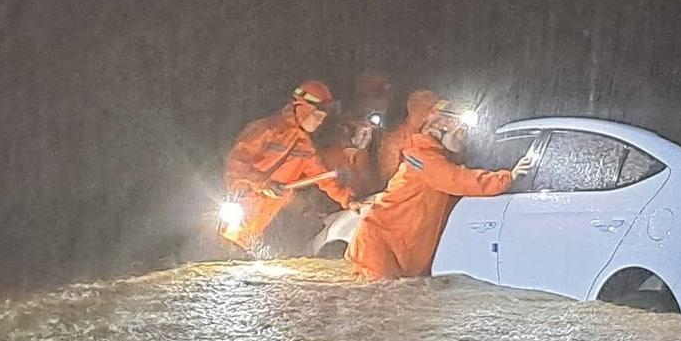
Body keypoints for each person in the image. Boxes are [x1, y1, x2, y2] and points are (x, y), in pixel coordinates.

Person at [348, 100, 532, 280]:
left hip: (394, 249)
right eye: (460, 132)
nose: (464, 137)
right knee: (379, 306)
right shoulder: (423, 158)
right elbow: (458, 180)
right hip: (379, 248)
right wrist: (509, 177)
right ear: (440, 129)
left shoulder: (435, 158)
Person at [222, 80, 359, 251]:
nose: (318, 123)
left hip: (263, 215)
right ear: (302, 107)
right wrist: (263, 183)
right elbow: (237, 163)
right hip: (240, 203)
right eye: (316, 116)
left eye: (322, 119)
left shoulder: (305, 147)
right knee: (221, 248)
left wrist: (349, 200)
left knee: (243, 251)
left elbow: (323, 178)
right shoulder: (266, 130)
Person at [375, 88, 442, 187]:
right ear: (424, 114)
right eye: (435, 112)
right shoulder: (396, 139)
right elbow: (388, 178)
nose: (439, 119)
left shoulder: (437, 137)